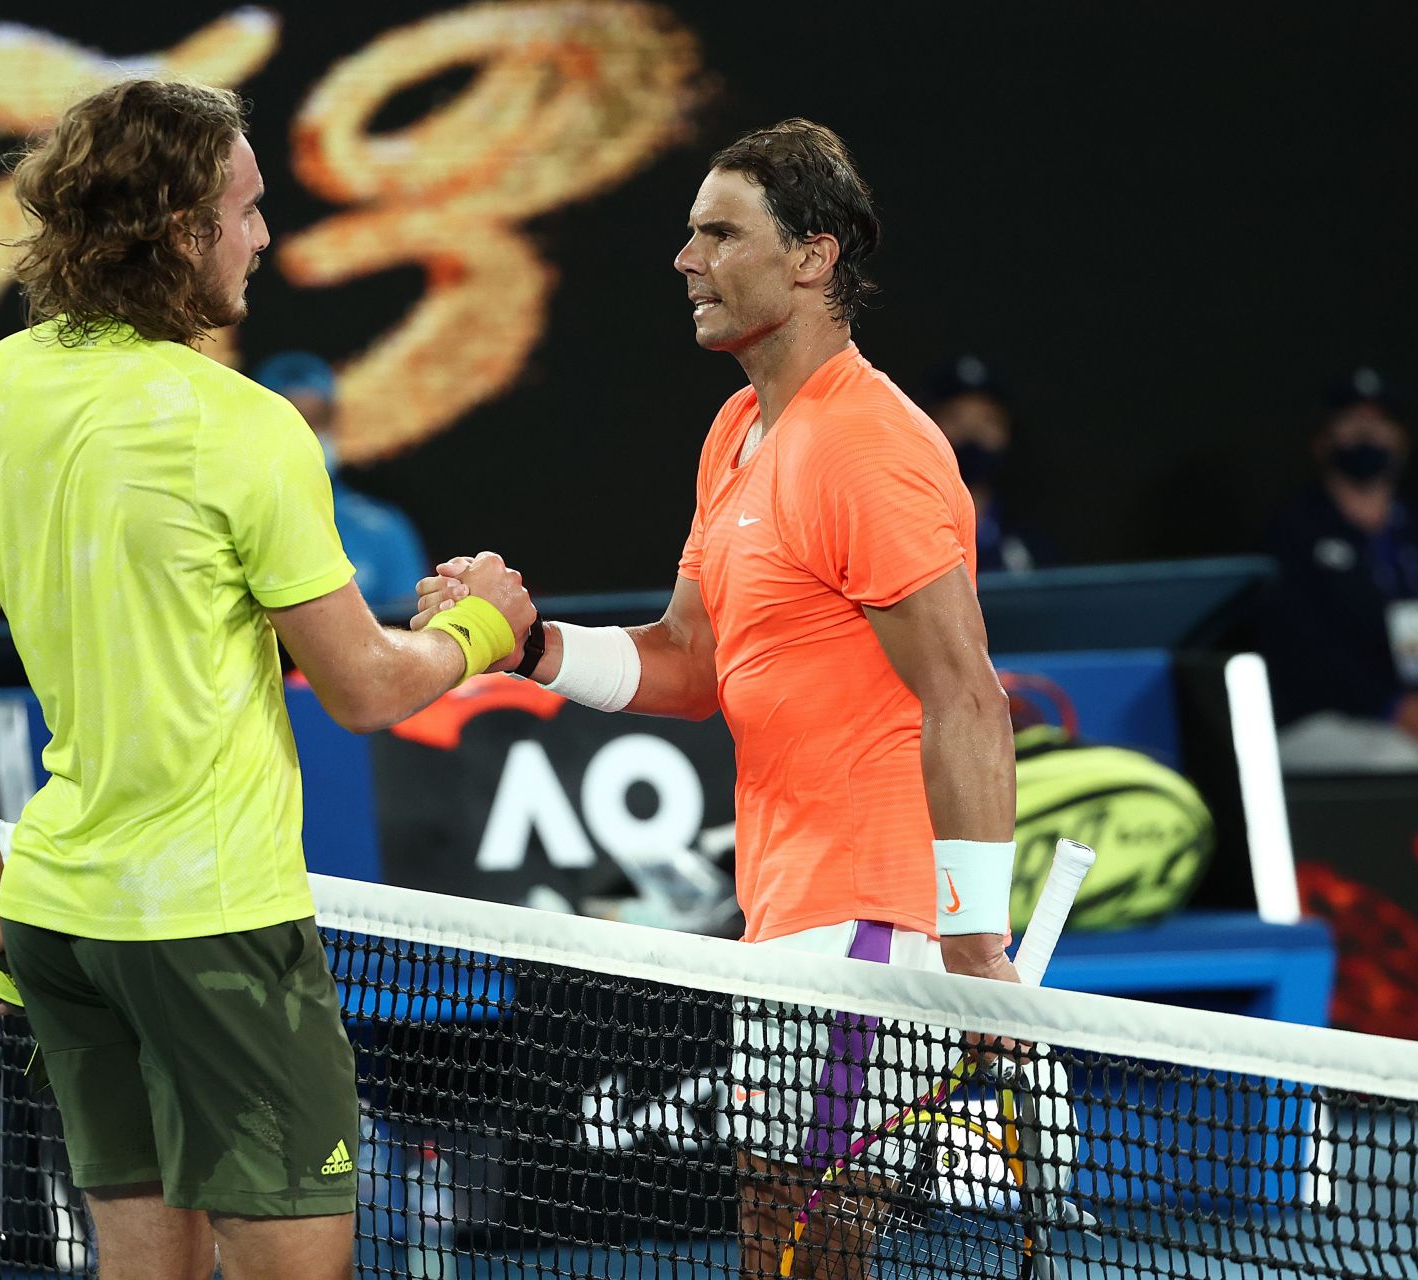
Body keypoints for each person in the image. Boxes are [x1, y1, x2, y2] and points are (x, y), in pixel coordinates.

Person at [0, 79, 532, 1280]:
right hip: (217, 935)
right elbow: (362, 688)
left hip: (62, 926)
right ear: (182, 229)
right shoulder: (241, 429)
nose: (263, 236)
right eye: (244, 211)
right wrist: (482, 634)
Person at [416, 118, 1019, 1279]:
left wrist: (974, 939)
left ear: (813, 257)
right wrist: (531, 645)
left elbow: (968, 695)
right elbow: (691, 662)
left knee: (810, 1249)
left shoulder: (869, 447)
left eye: (719, 233)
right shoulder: (739, 431)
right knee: (775, 1240)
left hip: (870, 926)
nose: (685, 260)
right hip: (786, 920)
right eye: (691, 235)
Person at [1262, 366, 1418, 772]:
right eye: (1352, 422)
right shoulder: (1292, 534)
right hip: (1324, 721)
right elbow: (1302, 654)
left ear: (1402, 439)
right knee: (1401, 762)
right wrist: (1392, 707)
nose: (1367, 434)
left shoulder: (1417, 530)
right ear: (1322, 439)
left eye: (1379, 422)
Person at [251, 351, 430, 610]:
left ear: (335, 423)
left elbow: (408, 625)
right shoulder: (230, 523)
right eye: (292, 419)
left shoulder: (384, 530)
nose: (307, 435)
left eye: (317, 420)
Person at [929, 354, 1053, 573]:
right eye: (954, 418)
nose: (971, 433)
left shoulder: (1030, 539)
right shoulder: (907, 531)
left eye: (988, 420)